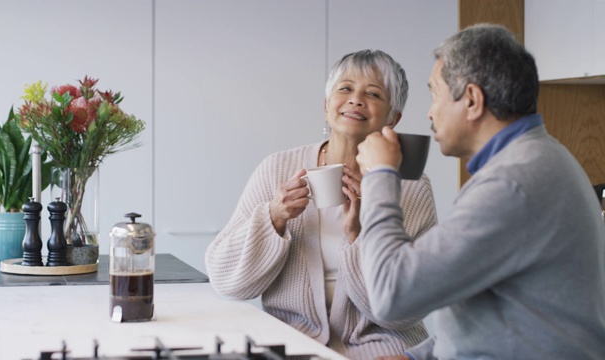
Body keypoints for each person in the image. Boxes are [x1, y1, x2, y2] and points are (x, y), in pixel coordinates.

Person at [356, 24, 605, 360]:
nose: (430, 112)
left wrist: (380, 174)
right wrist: (416, 357)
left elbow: (391, 293)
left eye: (435, 94)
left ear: (472, 100)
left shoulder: (513, 183)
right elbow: (497, 312)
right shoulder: (539, 157)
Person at [205, 49, 438, 360]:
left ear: (392, 118)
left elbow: (405, 310)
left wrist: (359, 237)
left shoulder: (410, 187)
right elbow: (225, 279)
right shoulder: (277, 168)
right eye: (345, 89)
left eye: (373, 93)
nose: (356, 99)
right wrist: (274, 218)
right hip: (290, 342)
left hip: (383, 348)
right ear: (327, 106)